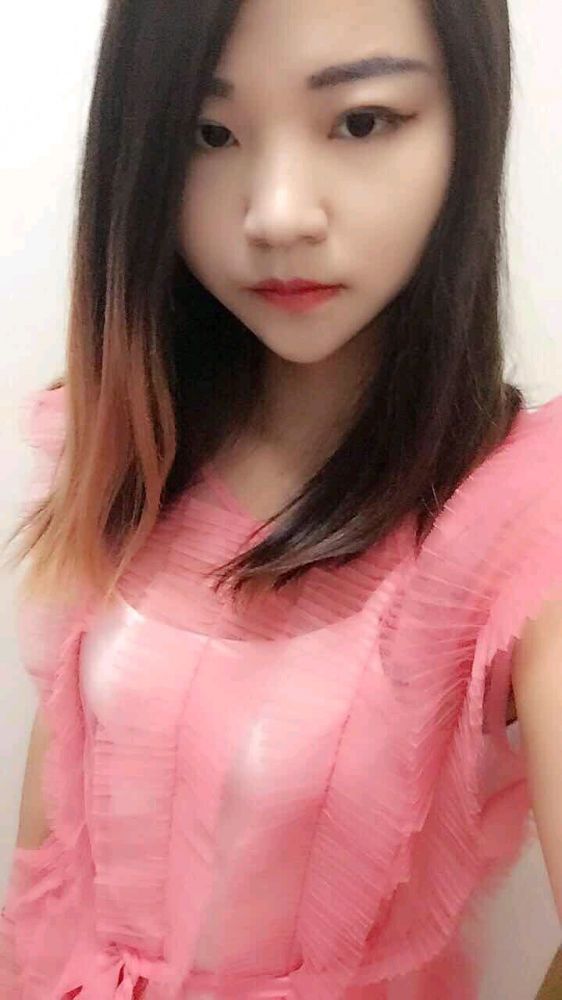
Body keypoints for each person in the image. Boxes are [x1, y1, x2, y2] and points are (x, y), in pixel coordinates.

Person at [0, 0, 561, 997]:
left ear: (468, 125)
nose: (276, 213)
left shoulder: (521, 520)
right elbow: (53, 853)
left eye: (360, 121)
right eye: (209, 133)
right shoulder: (132, 436)